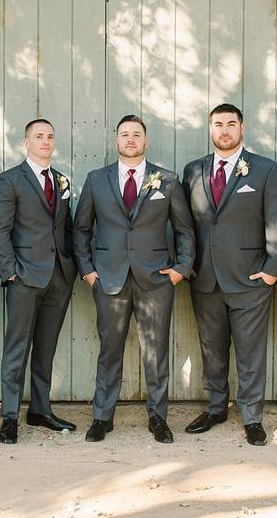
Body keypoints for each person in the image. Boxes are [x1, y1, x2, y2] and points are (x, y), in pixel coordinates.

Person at [73, 115, 195, 444]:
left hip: (156, 280)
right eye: (124, 134)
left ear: (146, 141)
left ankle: (158, 418)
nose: (130, 139)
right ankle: (102, 417)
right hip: (108, 280)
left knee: (156, 352)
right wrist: (88, 271)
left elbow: (184, 229)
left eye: (136, 134)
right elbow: (81, 229)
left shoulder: (166, 180)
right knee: (109, 350)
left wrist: (180, 270)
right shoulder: (96, 179)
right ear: (116, 141)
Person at [181, 103, 277, 446]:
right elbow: (185, 225)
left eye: (231, 124)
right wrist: (188, 264)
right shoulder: (193, 170)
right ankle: (215, 407)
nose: (225, 130)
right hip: (205, 278)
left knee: (249, 351)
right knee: (211, 348)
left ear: (242, 128)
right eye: (218, 124)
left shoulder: (264, 170)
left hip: (250, 279)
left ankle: (252, 416)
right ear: (210, 129)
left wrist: (272, 271)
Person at [0, 119, 77, 444]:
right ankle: (9, 417)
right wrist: (10, 271)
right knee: (17, 347)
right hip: (24, 276)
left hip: (58, 277)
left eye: (50, 136)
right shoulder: (9, 181)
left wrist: (69, 267)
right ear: (26, 143)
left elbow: (66, 226)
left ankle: (40, 409)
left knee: (46, 347)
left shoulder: (62, 180)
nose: (45, 141)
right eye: (38, 136)